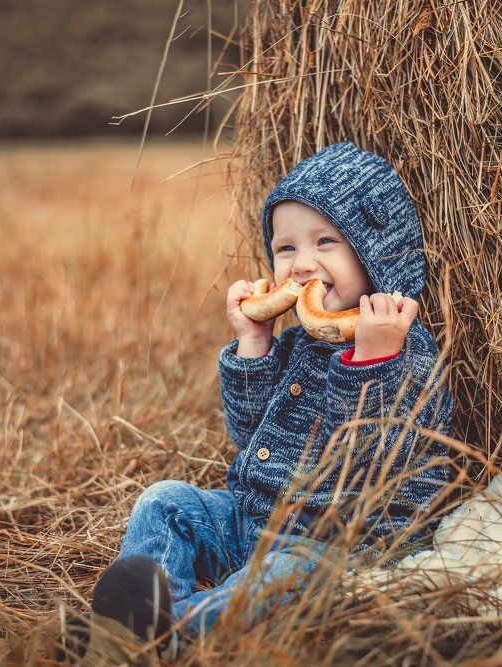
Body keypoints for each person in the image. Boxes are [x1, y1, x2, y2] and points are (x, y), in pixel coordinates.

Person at [67, 142, 454, 660]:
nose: (301, 265)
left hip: (339, 545)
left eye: (325, 242)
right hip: (254, 520)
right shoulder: (295, 343)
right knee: (166, 500)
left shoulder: (405, 352)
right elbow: (251, 437)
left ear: (375, 253)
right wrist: (253, 343)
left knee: (285, 575)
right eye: (286, 247)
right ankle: (150, 606)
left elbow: (370, 457)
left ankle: (166, 636)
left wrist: (372, 360)